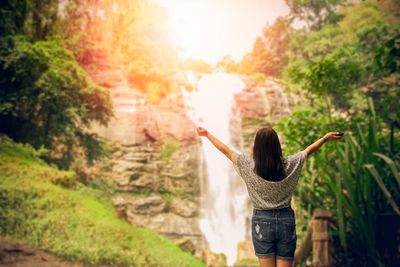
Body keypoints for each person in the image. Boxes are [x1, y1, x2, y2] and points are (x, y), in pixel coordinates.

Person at [196, 126, 343, 267]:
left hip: (262, 221)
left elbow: (225, 150)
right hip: (286, 220)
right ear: (277, 146)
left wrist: (207, 135)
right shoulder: (290, 164)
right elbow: (308, 151)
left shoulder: (248, 165)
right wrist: (324, 138)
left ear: (256, 147)